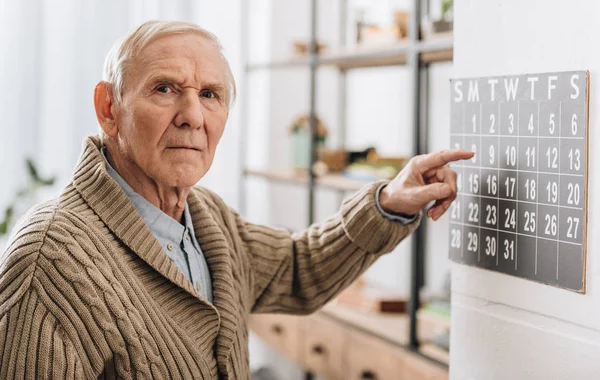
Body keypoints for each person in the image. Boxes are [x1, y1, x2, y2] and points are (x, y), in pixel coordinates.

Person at [0, 20, 472, 379]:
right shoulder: (49, 259)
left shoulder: (206, 216)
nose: (192, 116)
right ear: (109, 108)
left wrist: (390, 200)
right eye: (165, 89)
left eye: (210, 95)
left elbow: (298, 267)